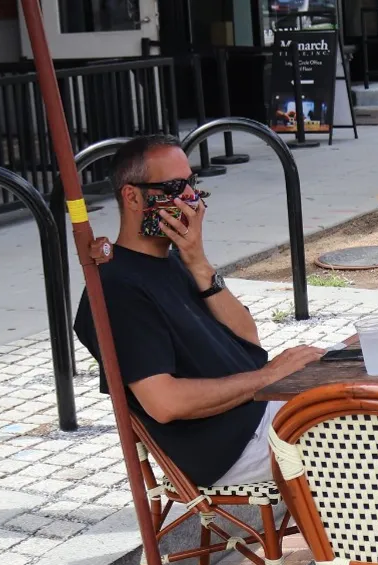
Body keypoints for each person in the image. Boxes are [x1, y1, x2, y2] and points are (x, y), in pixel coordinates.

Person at [73, 135, 324, 487]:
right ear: (132, 196)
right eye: (175, 187)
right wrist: (267, 377)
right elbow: (165, 402)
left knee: (374, 390)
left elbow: (248, 337)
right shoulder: (117, 287)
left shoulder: (175, 258)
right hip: (234, 449)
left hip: (262, 414)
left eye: (191, 184)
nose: (189, 199)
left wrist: (199, 262)